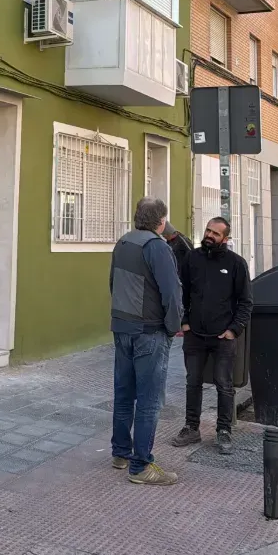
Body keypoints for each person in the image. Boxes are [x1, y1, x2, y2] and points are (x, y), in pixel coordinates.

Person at [110, 196, 183, 486]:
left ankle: (120, 454)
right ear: (161, 221)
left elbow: (112, 284)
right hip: (149, 331)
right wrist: (172, 328)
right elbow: (172, 294)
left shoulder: (123, 243)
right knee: (150, 401)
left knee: (124, 394)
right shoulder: (158, 247)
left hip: (122, 328)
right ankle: (141, 466)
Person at [172, 216, 253, 455]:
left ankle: (224, 430)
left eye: (215, 233)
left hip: (223, 337)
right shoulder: (192, 258)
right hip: (194, 335)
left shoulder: (236, 263)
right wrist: (184, 322)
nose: (209, 235)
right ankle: (191, 427)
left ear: (225, 239)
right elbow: (181, 292)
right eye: (208, 230)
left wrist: (233, 330)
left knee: (224, 385)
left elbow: (246, 302)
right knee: (192, 382)